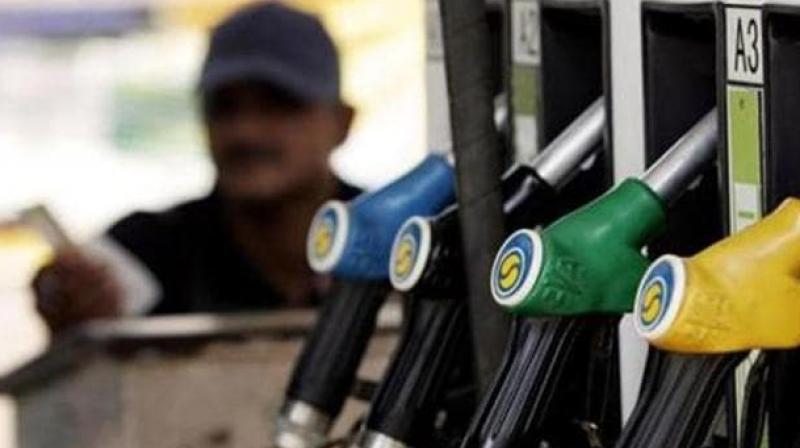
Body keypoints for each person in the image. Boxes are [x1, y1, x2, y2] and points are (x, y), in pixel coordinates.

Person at [32, 2, 359, 334]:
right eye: (224, 107)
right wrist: (67, 295)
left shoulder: (385, 239)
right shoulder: (151, 251)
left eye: (278, 106)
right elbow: (74, 291)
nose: (245, 132)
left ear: (342, 122)